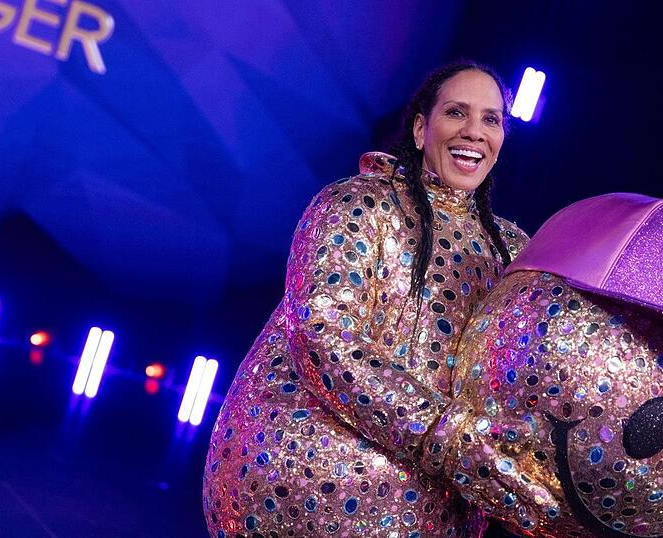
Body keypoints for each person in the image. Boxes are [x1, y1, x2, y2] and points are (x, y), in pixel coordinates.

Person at [202, 61, 530, 537]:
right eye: (457, 113)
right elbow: (322, 334)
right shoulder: (358, 205)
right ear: (421, 128)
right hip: (305, 487)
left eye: (491, 119)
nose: (475, 132)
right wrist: (450, 438)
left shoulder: (512, 254)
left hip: (434, 518)